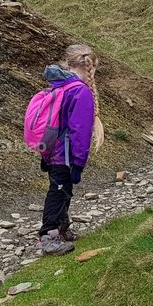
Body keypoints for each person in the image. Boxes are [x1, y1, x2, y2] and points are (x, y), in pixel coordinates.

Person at [37, 44, 104, 256]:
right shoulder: (81, 91)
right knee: (58, 192)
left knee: (63, 189)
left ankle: (62, 229)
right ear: (89, 66)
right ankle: (48, 236)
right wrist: (78, 162)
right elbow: (80, 131)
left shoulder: (59, 85)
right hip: (64, 153)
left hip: (51, 148)